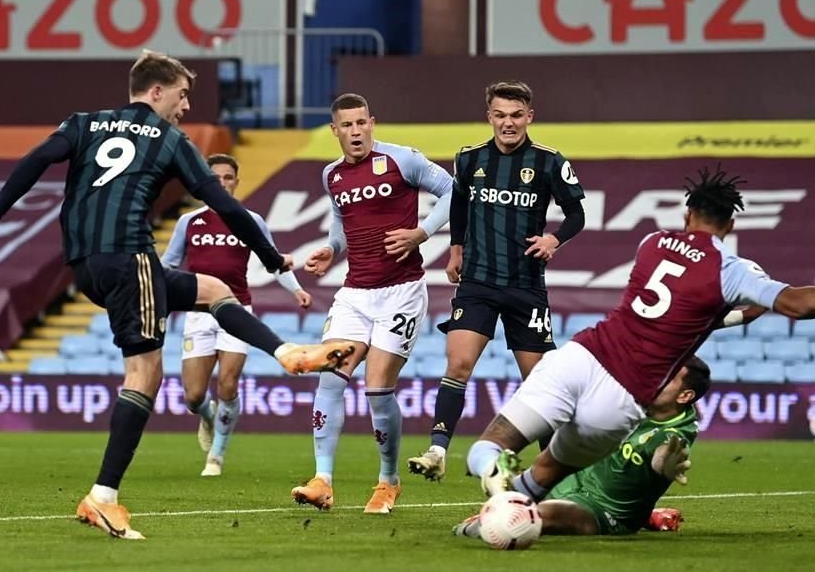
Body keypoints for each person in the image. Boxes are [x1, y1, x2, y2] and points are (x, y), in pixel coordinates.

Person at [0, 50, 353, 539]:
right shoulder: (171, 139)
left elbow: (38, 159)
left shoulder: (85, 122)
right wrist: (272, 256)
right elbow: (226, 208)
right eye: (181, 94)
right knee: (145, 374)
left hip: (83, 266)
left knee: (214, 289)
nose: (186, 105)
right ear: (156, 92)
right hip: (130, 258)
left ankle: (286, 351)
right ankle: (103, 497)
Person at [465, 166, 815, 505]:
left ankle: (491, 474)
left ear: (687, 213)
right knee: (545, 473)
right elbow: (798, 303)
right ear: (729, 226)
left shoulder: (652, 242)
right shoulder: (730, 272)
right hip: (623, 396)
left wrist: (729, 317)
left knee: (489, 444)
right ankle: (510, 513)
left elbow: (672, 312)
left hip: (584, 355)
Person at [408, 80, 586, 482]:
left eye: (516, 116)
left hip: (525, 285)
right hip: (478, 282)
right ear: (489, 116)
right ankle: (438, 451)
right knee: (458, 363)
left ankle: (556, 472)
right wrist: (456, 249)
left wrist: (554, 238)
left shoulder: (549, 161)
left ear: (529, 116)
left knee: (540, 381)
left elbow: (576, 214)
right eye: (500, 115)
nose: (508, 123)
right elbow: (458, 204)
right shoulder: (470, 159)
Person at [292, 93, 453, 514]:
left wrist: (422, 232)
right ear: (335, 130)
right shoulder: (332, 176)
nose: (356, 131)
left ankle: (388, 481)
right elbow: (342, 222)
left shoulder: (403, 160)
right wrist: (331, 249)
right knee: (330, 376)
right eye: (347, 125)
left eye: (361, 123)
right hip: (355, 293)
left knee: (377, 388)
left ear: (372, 123)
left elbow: (454, 190)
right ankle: (322, 480)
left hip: (401, 291)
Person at [162, 153, 312, 477]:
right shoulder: (189, 222)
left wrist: (296, 289)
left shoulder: (249, 220)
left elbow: (272, 259)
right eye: (215, 178)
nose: (222, 184)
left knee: (228, 385)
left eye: (228, 178)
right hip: (198, 313)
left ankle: (216, 456)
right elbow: (169, 264)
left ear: (236, 182)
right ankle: (206, 416)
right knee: (193, 396)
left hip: (236, 310)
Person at [453, 356, 710, 539]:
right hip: (572, 477)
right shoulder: (633, 394)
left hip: (603, 509)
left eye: (669, 377)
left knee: (537, 516)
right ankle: (649, 515)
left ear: (684, 396)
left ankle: (492, 523)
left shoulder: (676, 432)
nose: (657, 376)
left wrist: (663, 465)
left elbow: (663, 455)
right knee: (507, 484)